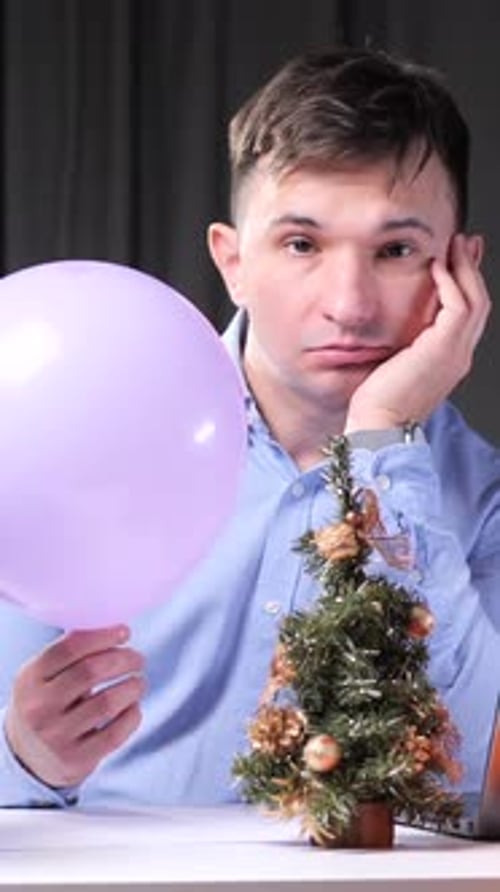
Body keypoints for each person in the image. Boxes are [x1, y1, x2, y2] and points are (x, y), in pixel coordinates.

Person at [0, 46, 499, 809]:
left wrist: (383, 436)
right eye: (302, 244)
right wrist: (22, 758)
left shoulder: (485, 506)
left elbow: (477, 784)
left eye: (396, 250)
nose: (350, 304)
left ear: (460, 272)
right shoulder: (71, 430)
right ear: (232, 261)